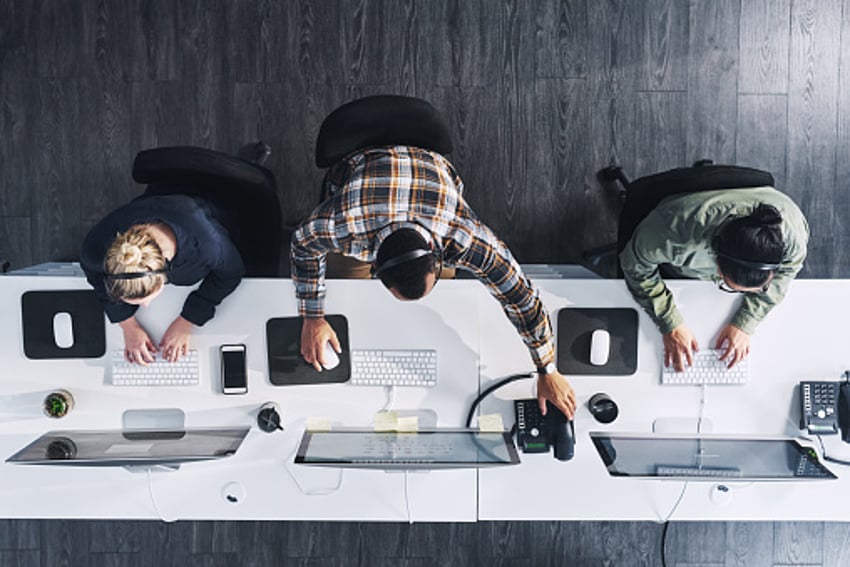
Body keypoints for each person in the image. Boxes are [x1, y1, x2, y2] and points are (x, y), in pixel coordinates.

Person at [290, 145, 576, 418]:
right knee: (347, 296)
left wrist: (547, 369)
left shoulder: (463, 236)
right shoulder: (344, 224)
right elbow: (302, 245)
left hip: (431, 183)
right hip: (363, 169)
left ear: (438, 258)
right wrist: (313, 316)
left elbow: (521, 298)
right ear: (373, 265)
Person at [620, 187, 808, 371]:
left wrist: (745, 322)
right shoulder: (671, 233)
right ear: (716, 266)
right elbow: (636, 267)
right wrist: (671, 324)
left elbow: (787, 272)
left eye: (761, 288)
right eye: (729, 286)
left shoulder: (793, 234)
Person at [81, 194, 245, 364]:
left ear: (164, 273)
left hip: (218, 204)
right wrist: (127, 325)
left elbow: (231, 273)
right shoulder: (96, 249)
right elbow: (94, 275)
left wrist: (188, 319)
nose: (145, 306)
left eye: (146, 299)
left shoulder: (207, 246)